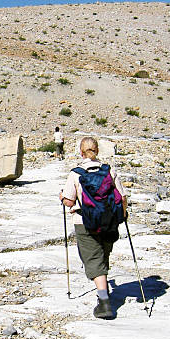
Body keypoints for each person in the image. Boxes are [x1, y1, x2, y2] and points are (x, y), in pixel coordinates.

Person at [59, 137, 128, 319]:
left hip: (84, 222)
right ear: (97, 151)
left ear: (81, 152)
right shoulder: (108, 170)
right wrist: (123, 215)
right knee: (103, 256)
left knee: (93, 259)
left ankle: (104, 301)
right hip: (108, 221)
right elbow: (122, 196)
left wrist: (61, 197)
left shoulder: (76, 173)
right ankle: (104, 289)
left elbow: (69, 200)